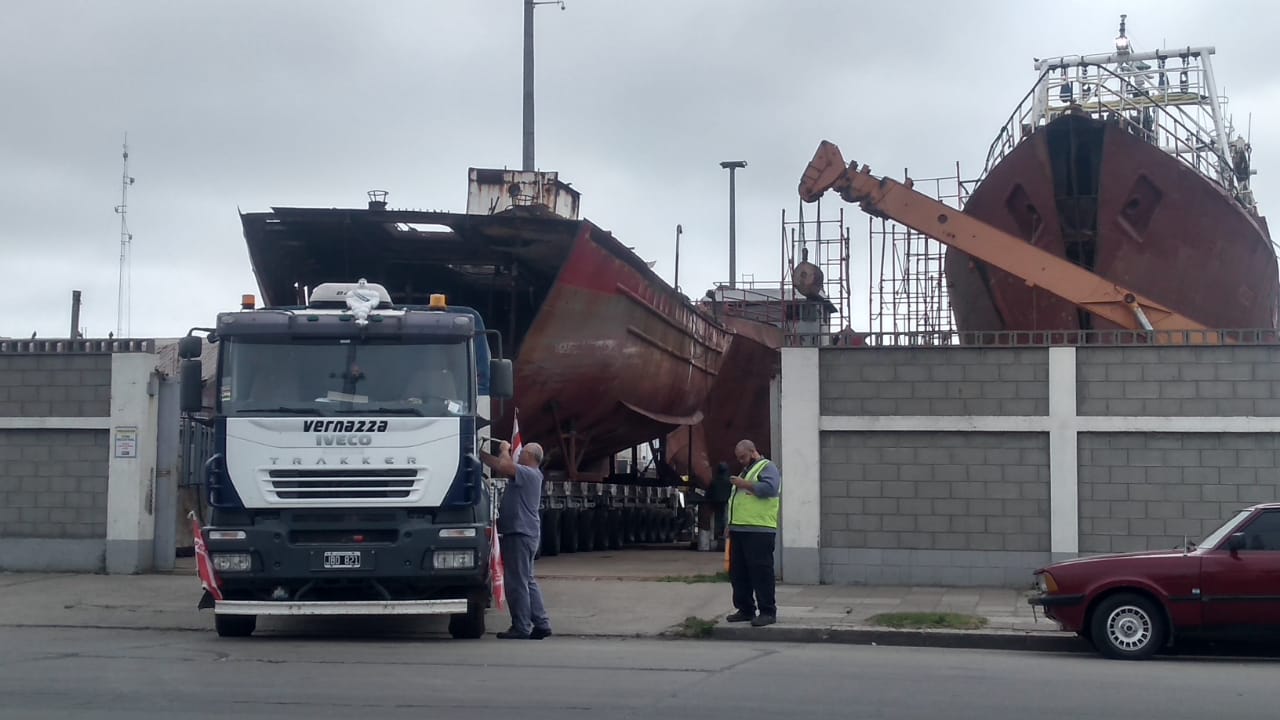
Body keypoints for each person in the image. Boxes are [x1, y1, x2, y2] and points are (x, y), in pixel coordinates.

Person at [478, 439, 552, 640]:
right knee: (527, 580)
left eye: (522, 453)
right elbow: (499, 465)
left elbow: (503, 465)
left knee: (516, 582)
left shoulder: (528, 474)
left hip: (520, 533)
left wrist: (504, 449)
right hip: (525, 533)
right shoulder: (529, 475)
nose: (518, 454)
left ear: (530, 456)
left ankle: (521, 626)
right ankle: (541, 622)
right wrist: (481, 455)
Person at [724, 439, 782, 627]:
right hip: (739, 529)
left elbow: (770, 489)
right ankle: (745, 609)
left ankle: (767, 611)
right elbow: (737, 501)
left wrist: (744, 483)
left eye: (743, 457)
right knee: (738, 573)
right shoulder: (745, 471)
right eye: (738, 458)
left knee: (761, 572)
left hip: (759, 530)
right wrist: (729, 524)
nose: (741, 461)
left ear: (753, 451)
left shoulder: (767, 467)